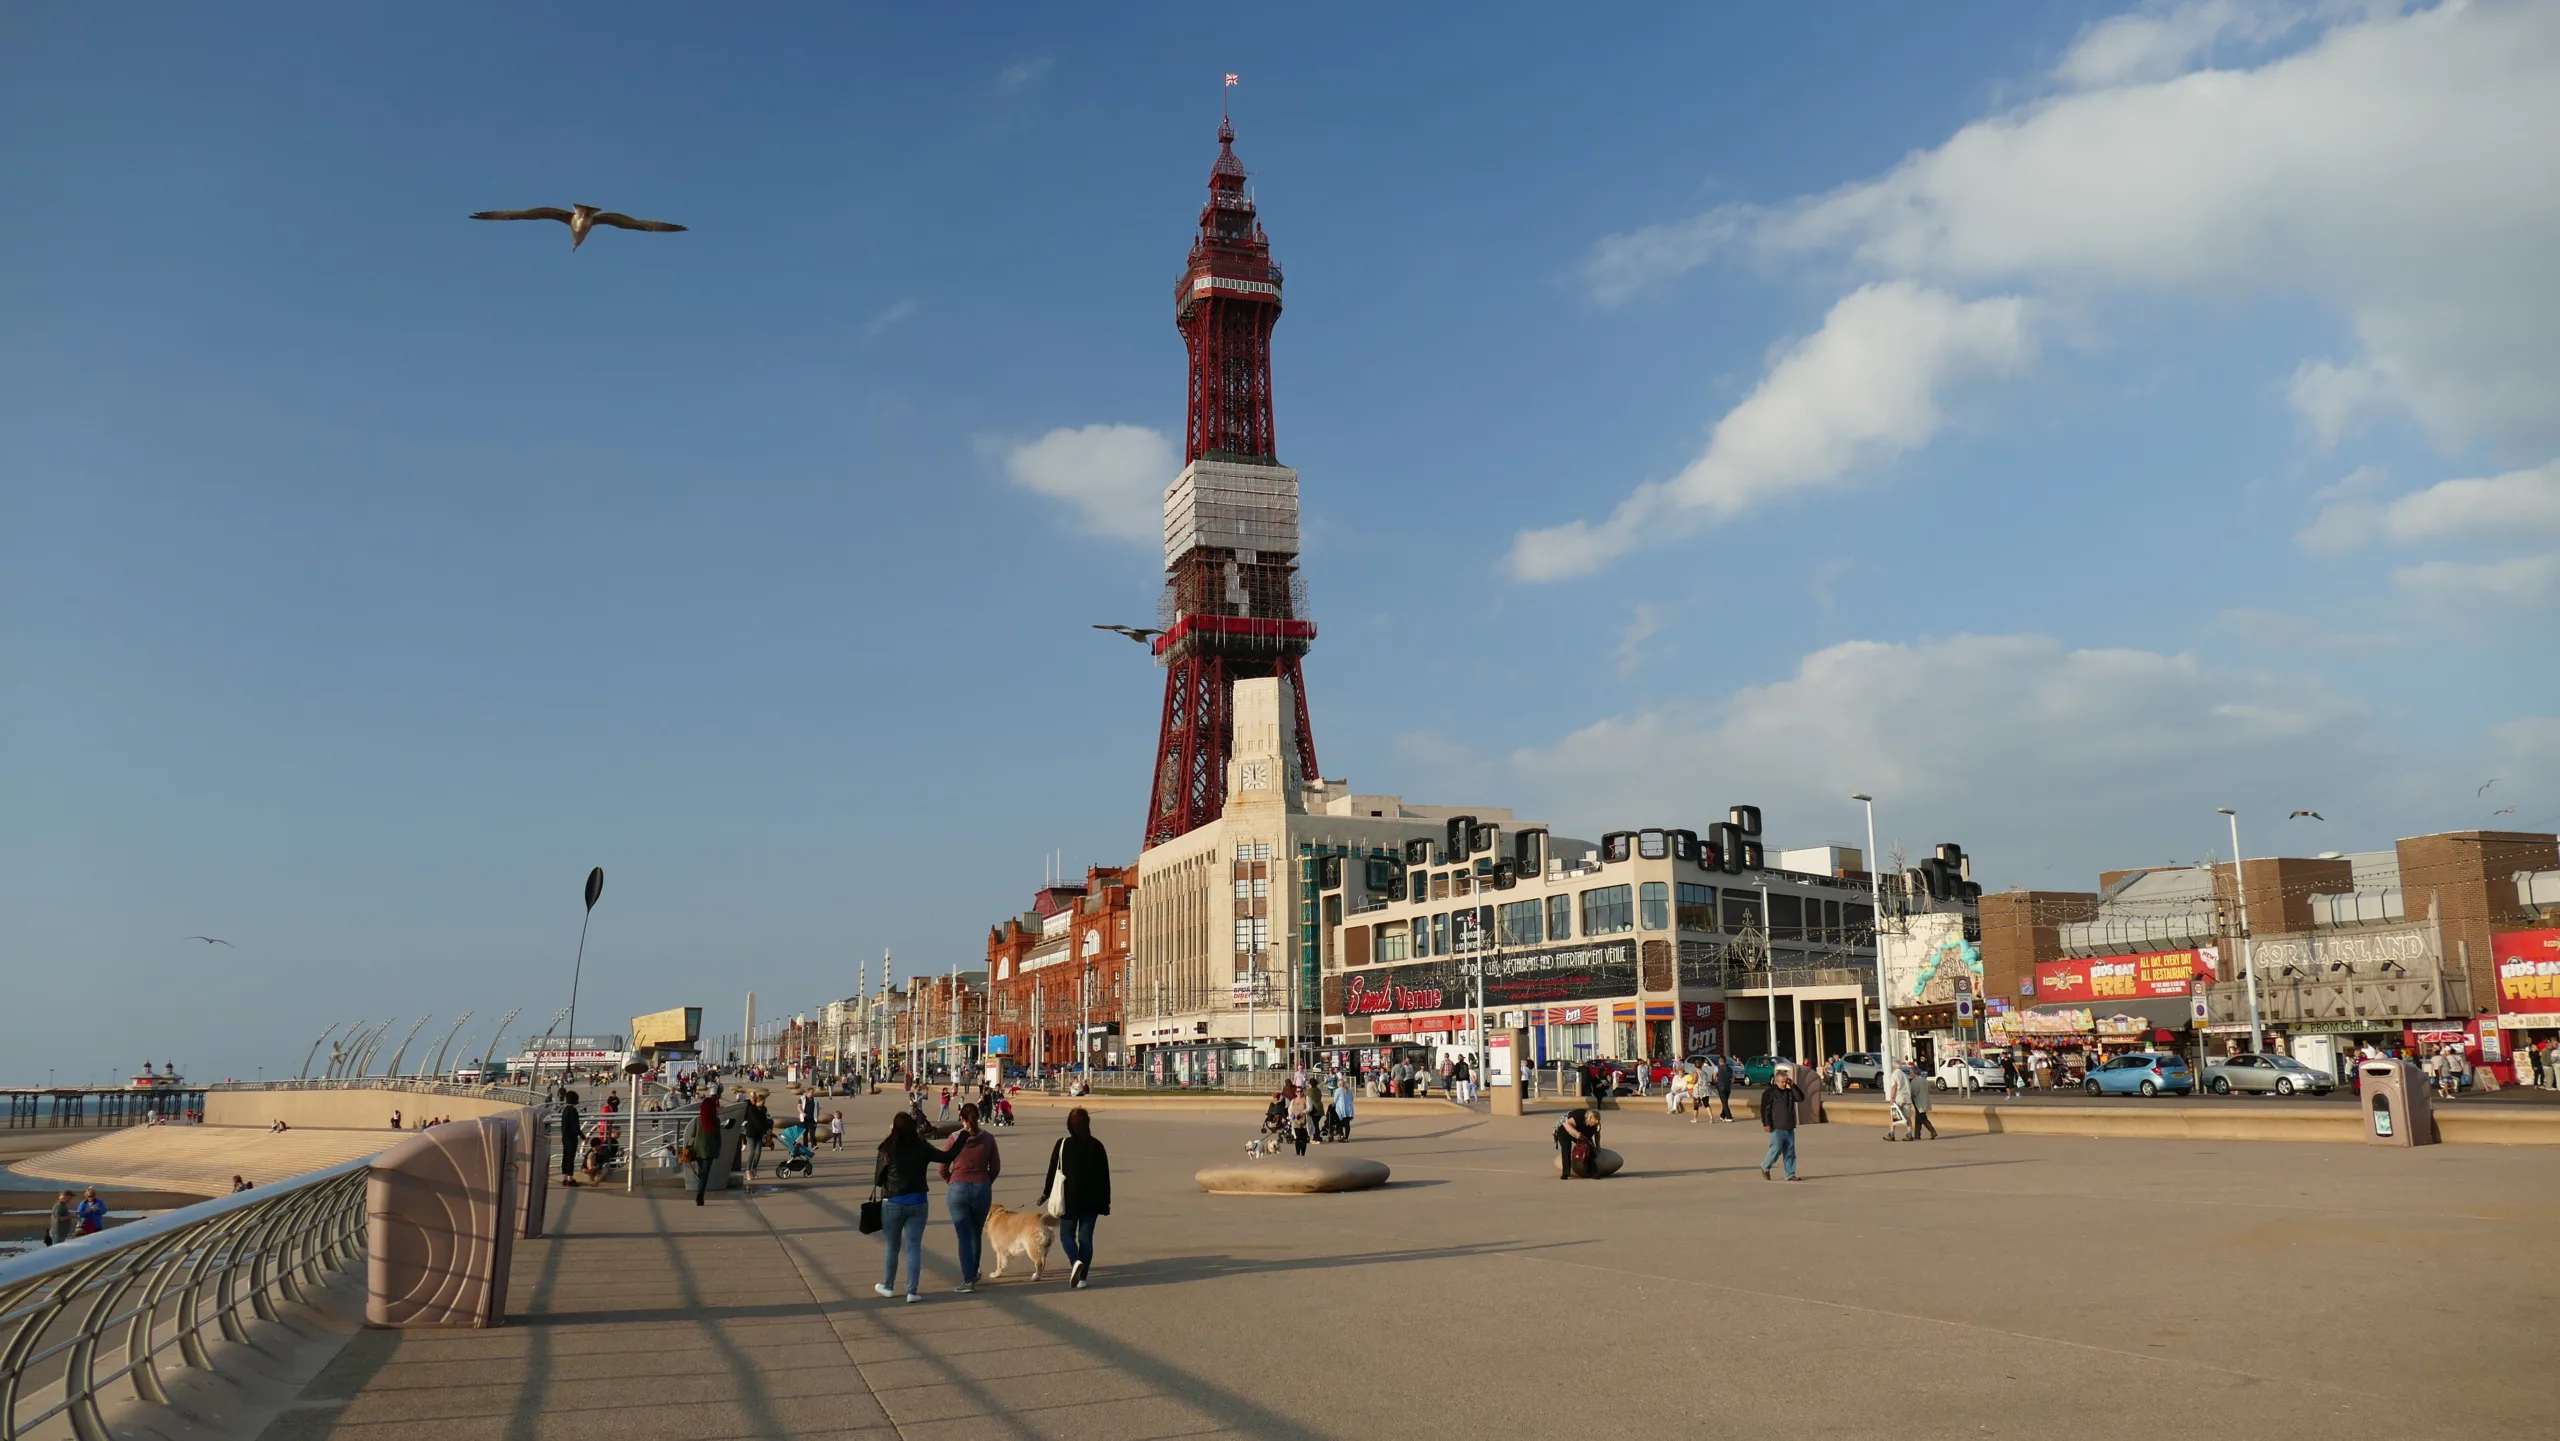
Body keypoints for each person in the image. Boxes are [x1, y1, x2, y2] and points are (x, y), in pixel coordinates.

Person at [872, 1112, 956, 1303]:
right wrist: (962, 1139)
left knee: (892, 1247)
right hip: (918, 1202)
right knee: (913, 1247)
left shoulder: (887, 1147)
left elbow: (877, 1179)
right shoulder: (921, 1146)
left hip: (893, 1202)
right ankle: (912, 1290)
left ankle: (888, 1286)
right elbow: (946, 1156)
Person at [1039, 1107, 1112, 1289]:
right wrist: (1106, 1203)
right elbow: (1105, 1177)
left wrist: (1046, 1193)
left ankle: (1075, 1260)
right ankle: (1082, 1278)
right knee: (1086, 1238)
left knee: (1066, 1235)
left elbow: (1052, 1172)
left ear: (1069, 1125)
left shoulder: (1062, 1144)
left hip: (1069, 1198)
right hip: (1093, 1199)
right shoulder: (1097, 1145)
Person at [939, 1102, 1001, 1292]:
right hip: (982, 1188)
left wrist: (951, 1180)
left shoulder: (954, 1138)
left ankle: (967, 1280)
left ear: (962, 1119)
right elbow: (995, 1167)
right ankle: (973, 1272)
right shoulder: (988, 1139)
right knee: (975, 1233)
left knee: (963, 1235)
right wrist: (985, 1181)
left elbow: (942, 1166)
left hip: (958, 1188)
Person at [1759, 1065, 1804, 1181]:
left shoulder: (1789, 1092)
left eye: (1786, 1082)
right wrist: (1766, 1123)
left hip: (1789, 1126)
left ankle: (1790, 1174)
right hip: (1776, 1126)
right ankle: (1765, 1166)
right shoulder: (1770, 1092)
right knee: (1776, 1149)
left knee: (1790, 1151)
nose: (1784, 1084)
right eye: (1782, 1082)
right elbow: (1765, 1109)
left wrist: (1793, 1085)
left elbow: (1800, 1098)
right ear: (1777, 1081)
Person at [1554, 1108, 1602, 1179]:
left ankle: (1593, 1172)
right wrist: (1576, 1134)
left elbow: (1597, 1134)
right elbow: (1567, 1124)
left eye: (1595, 1123)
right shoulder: (1579, 1116)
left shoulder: (1596, 1124)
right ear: (1589, 1118)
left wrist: (1597, 1146)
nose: (1593, 1125)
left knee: (1589, 1148)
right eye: (1592, 1123)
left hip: (1580, 1131)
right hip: (1565, 1129)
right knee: (1566, 1148)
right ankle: (1566, 1173)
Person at [740, 1092, 774, 1181]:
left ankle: (754, 1169)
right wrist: (765, 1129)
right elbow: (756, 1122)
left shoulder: (763, 1109)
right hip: (751, 1133)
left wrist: (768, 1129)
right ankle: (748, 1171)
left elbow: (765, 1121)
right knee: (752, 1152)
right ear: (758, 1101)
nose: (763, 1102)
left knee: (758, 1152)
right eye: (762, 1101)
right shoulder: (752, 1109)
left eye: (764, 1100)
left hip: (760, 1133)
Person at [1908, 1062, 1939, 1140]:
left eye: (1911, 1072)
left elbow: (1913, 1093)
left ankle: (1932, 1131)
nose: (1910, 1074)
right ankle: (1917, 1135)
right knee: (1919, 1118)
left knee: (1922, 1118)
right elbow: (1929, 1089)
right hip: (1925, 1101)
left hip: (1918, 1102)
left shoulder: (1914, 1081)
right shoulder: (1924, 1080)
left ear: (1915, 1073)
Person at [1882, 1058, 1911, 1142]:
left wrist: (1892, 1098)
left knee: (1893, 1117)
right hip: (1907, 1098)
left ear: (1894, 1066)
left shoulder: (1894, 1074)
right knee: (1908, 1117)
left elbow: (1894, 1087)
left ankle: (1892, 1134)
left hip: (1898, 1098)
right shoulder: (1904, 1075)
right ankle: (1909, 1134)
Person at [557, 1091, 582, 1186]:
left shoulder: (565, 1110)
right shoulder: (573, 1111)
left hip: (565, 1137)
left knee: (565, 1156)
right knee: (571, 1158)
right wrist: (582, 1136)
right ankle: (570, 1179)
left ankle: (564, 1178)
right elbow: (575, 1126)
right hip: (572, 1138)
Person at [1287, 1086, 1311, 1156]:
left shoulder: (1306, 1099)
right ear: (1295, 1093)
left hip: (1304, 1121)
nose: (1299, 1093)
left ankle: (1303, 1154)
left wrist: (1303, 1113)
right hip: (1295, 1121)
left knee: (1303, 1138)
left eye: (1300, 1091)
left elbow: (1310, 1108)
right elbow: (1290, 1109)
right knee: (1297, 1138)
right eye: (1298, 1091)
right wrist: (1291, 1114)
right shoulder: (1293, 1100)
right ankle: (1297, 1153)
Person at [1713, 1055, 1737, 1122]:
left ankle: (1729, 1116)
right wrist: (1730, 1083)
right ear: (1725, 1061)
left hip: (1720, 1087)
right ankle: (1722, 1115)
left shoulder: (1717, 1068)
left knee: (1724, 1102)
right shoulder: (1730, 1068)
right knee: (1725, 1101)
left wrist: (1716, 1084)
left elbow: (1714, 1077)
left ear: (1719, 1061)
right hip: (1728, 1087)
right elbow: (1733, 1079)